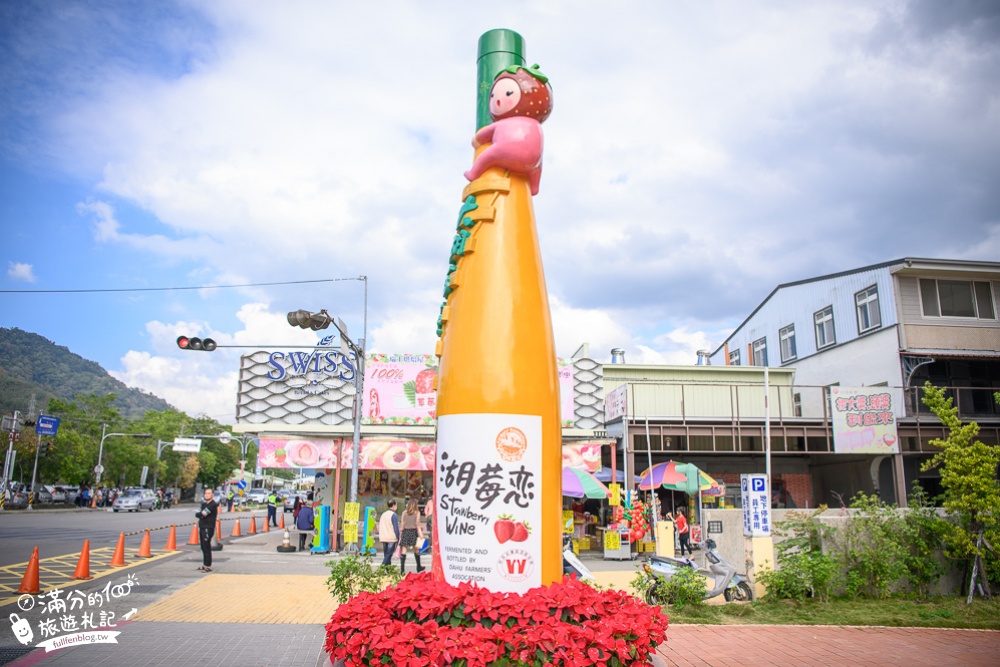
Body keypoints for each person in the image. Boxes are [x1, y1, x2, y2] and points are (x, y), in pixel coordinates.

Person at [195, 487, 219, 572]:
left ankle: (208, 565)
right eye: (206, 493)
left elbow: (203, 514)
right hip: (202, 526)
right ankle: (205, 564)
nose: (207, 495)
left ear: (212, 494)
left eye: (209, 493)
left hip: (208, 527)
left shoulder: (213, 504)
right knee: (203, 546)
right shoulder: (204, 504)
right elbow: (199, 513)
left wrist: (200, 514)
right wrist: (199, 514)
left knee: (206, 546)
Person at [398, 499, 424, 572]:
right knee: (416, 549)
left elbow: (402, 524)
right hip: (413, 532)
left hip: (405, 532)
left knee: (404, 550)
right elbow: (417, 525)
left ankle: (402, 570)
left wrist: (401, 533)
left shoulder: (404, 513)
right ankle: (418, 566)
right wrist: (421, 534)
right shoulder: (417, 513)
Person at [378, 499, 400, 568]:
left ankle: (388, 570)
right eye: (396, 505)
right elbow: (396, 528)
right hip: (391, 538)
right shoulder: (393, 515)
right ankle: (381, 568)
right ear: (393, 505)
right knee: (388, 555)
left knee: (386, 554)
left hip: (384, 537)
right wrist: (398, 537)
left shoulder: (383, 514)